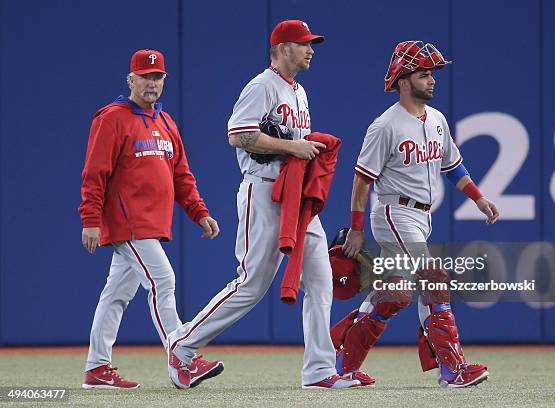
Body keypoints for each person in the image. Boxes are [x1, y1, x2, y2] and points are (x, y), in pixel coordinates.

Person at [164, 20, 362, 390]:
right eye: (303, 44)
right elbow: (237, 135)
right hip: (263, 191)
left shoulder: (299, 92)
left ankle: (319, 370)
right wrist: (292, 146)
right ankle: (182, 345)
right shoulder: (262, 86)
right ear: (282, 49)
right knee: (253, 284)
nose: (311, 49)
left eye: (311, 43)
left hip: (297, 199)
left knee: (321, 282)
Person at [331, 41, 499, 388]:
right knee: (434, 279)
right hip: (394, 211)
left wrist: (479, 198)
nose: (432, 80)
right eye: (424, 74)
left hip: (421, 217)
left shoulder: (436, 119)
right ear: (403, 81)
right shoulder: (385, 126)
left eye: (432, 74)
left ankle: (345, 361)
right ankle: (452, 369)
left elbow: (453, 166)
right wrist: (357, 230)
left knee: (396, 294)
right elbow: (362, 181)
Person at [79, 49, 223, 389]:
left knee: (115, 295)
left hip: (152, 225)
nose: (152, 83)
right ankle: (182, 359)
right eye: (145, 77)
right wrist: (90, 219)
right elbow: (94, 173)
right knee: (164, 280)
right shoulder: (111, 118)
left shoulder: (166, 121)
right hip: (128, 223)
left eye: (158, 78)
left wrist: (199, 212)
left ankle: (96, 368)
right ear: (131, 79)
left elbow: (182, 176)